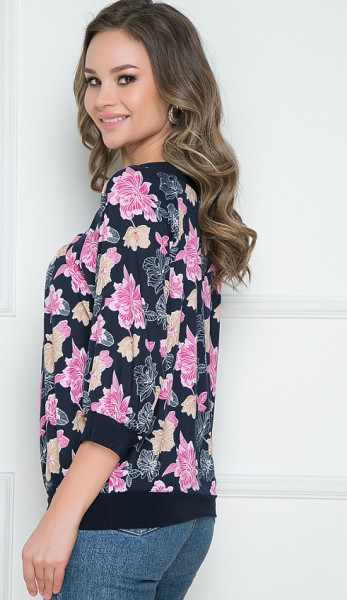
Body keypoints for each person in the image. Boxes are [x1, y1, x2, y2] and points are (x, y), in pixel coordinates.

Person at [22, 1, 256, 598]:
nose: (103, 99)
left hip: (118, 513)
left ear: (175, 88)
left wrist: (60, 517)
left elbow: (125, 377)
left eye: (126, 78)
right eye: (93, 81)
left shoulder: (135, 196)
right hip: (185, 513)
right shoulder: (186, 200)